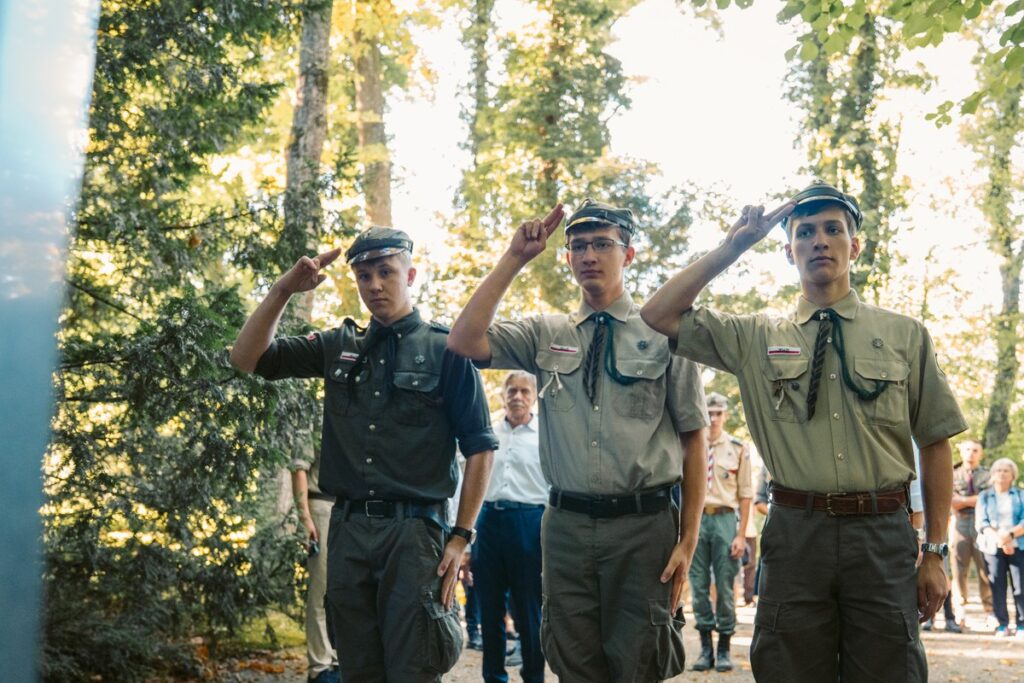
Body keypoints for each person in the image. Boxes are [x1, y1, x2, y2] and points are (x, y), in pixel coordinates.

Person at [641, 181, 967, 682]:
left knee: (891, 671)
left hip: (882, 535)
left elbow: (936, 442)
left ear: (854, 246)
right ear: (789, 249)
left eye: (833, 230)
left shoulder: (905, 335)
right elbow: (658, 313)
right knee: (789, 671)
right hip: (796, 536)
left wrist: (936, 551)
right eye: (805, 232)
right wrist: (733, 247)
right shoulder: (754, 336)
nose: (820, 241)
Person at [447, 200, 709, 682]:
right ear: (567, 258)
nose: (590, 254)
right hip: (565, 528)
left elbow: (695, 440)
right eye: (579, 246)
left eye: (603, 244)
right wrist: (514, 258)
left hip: (644, 527)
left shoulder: (665, 331)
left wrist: (688, 540)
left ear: (628, 255)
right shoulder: (547, 332)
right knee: (573, 660)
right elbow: (463, 341)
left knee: (640, 659)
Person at [229, 227, 497, 682]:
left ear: (410, 275)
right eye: (364, 275)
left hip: (414, 534)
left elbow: (480, 446)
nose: (374, 285)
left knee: (414, 667)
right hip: (349, 530)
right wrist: (282, 291)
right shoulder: (340, 345)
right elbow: (246, 358)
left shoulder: (446, 348)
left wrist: (461, 536)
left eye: (385, 272)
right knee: (356, 668)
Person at [473, 371, 547, 683]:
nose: (517, 396)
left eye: (524, 391)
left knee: (529, 610)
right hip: (488, 521)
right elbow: (468, 479)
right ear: (503, 395)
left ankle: (533, 676)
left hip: (529, 523)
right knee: (489, 611)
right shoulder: (488, 430)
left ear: (534, 396)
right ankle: (494, 677)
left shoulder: (547, 435)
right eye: (511, 391)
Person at [689, 392, 752, 673]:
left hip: (725, 520)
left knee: (726, 586)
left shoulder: (738, 448)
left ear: (725, 415)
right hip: (697, 519)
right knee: (698, 584)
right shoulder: (691, 446)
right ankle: (705, 648)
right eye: (709, 413)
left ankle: (724, 647)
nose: (713, 418)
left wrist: (740, 535)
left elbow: (746, 496)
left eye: (718, 413)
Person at [290, 449, 340, 682]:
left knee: (345, 590)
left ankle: (339, 661)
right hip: (320, 508)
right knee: (322, 589)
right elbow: (299, 468)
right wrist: (305, 518)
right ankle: (320, 667)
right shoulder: (312, 414)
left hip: (348, 511)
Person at [975, 457, 1024, 637]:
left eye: (1006, 470)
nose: (1002, 473)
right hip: (992, 547)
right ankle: (1002, 624)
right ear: (993, 475)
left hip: (1018, 545)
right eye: (998, 470)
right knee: (997, 585)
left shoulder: (1020, 494)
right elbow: (981, 522)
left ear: (1012, 475)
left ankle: (1021, 624)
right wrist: (1000, 540)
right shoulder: (984, 496)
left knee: (1020, 587)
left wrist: (1010, 536)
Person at [950, 439, 994, 627]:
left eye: (975, 450)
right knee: (959, 569)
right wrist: (976, 499)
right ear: (961, 452)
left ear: (980, 453)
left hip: (982, 525)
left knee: (985, 568)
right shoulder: (951, 473)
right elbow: (951, 501)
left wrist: (963, 500)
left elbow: (989, 499)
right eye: (968, 449)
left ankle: (990, 611)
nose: (971, 453)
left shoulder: (988, 475)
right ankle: (960, 610)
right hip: (959, 523)